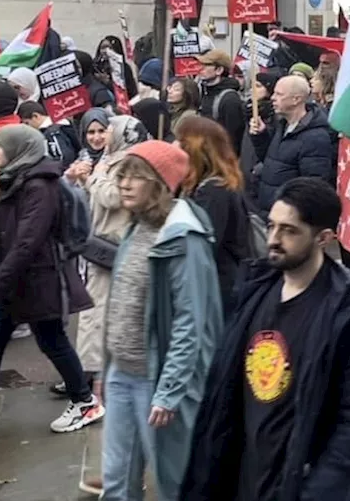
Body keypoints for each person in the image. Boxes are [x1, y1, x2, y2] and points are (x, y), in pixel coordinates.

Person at [180, 178, 350, 501]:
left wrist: (320, 488)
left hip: (301, 482)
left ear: (323, 238)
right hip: (246, 476)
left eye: (289, 231)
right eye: (271, 226)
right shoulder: (256, 288)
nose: (273, 240)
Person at [0, 125, 100, 445]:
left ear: (19, 148)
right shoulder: (13, 179)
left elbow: (26, 243)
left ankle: (85, 401)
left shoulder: (38, 185)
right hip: (15, 284)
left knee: (52, 341)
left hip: (36, 281)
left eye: (0, 146)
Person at [101, 140, 222, 501]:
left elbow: (191, 322)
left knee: (173, 481)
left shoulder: (184, 240)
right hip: (121, 374)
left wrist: (169, 392)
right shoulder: (135, 228)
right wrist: (104, 369)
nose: (124, 184)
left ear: (159, 183)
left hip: (156, 382)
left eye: (135, 177)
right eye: (122, 175)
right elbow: (121, 303)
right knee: (116, 481)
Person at [72, 116, 148, 391]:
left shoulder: (128, 161)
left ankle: (94, 375)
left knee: (99, 312)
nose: (103, 135)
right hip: (102, 242)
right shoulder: (110, 158)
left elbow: (113, 197)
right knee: (96, 312)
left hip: (113, 245)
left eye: (108, 129)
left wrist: (92, 177)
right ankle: (91, 370)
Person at [178, 117, 255, 317]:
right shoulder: (211, 185)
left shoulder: (213, 191)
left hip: (217, 290)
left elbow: (204, 246)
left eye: (182, 142)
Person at [248, 76, 338, 215]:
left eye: (279, 94)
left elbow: (312, 187)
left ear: (296, 99)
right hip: (268, 211)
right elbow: (271, 161)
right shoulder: (283, 125)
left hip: (288, 216)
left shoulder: (315, 137)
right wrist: (261, 135)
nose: (272, 97)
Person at [195, 49, 246, 156]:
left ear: (219, 70)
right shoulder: (204, 92)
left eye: (206, 66)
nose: (200, 69)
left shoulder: (230, 99)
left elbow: (234, 139)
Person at [17, 101, 80, 166]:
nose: (28, 128)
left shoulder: (51, 133)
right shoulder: (64, 124)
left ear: (35, 116)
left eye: (27, 123)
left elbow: (63, 157)